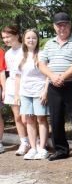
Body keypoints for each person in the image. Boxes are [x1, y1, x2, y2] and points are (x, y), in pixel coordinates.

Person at [38, 12, 72, 162]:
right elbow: (41, 64)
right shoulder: (49, 43)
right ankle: (61, 149)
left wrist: (63, 76)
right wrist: (53, 76)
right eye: (59, 25)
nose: (62, 28)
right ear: (54, 27)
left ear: (69, 25)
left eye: (65, 24)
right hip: (54, 86)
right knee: (56, 119)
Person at [13, 29, 49, 159]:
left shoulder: (42, 54)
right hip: (25, 93)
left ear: (37, 40)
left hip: (39, 92)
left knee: (41, 119)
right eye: (28, 38)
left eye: (33, 38)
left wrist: (45, 91)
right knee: (29, 120)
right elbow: (17, 77)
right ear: (24, 40)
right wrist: (17, 95)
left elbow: (47, 76)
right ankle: (33, 148)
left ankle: (42, 148)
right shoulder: (20, 56)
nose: (31, 40)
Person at [2, 26, 28, 155]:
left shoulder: (26, 49)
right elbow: (7, 73)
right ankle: (24, 142)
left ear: (17, 35)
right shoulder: (7, 53)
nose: (6, 40)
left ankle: (36, 140)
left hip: (26, 85)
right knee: (17, 116)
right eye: (4, 37)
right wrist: (5, 89)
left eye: (8, 36)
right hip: (12, 85)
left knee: (27, 117)